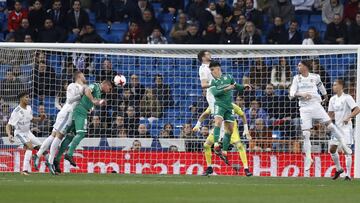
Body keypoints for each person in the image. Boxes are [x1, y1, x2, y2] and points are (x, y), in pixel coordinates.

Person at [289, 60, 352, 171]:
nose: (298, 67)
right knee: (306, 134)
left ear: (305, 67)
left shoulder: (315, 77)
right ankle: (308, 158)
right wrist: (301, 94)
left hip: (316, 105)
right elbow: (292, 93)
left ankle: (344, 143)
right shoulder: (296, 78)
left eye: (300, 65)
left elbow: (321, 87)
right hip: (304, 108)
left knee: (330, 125)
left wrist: (325, 96)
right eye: (298, 65)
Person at [33, 71, 86, 174]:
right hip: (67, 113)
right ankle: (50, 161)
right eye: (83, 75)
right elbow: (70, 100)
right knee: (58, 137)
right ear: (79, 76)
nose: (85, 77)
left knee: (53, 136)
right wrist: (81, 94)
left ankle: (38, 155)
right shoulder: (73, 85)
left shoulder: (81, 87)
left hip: (69, 114)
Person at [53, 80, 113, 172]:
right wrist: (93, 100)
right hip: (80, 111)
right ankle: (69, 154)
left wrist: (97, 103)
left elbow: (93, 101)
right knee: (81, 133)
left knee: (70, 136)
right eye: (110, 88)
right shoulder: (96, 86)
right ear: (106, 84)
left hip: (79, 111)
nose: (110, 91)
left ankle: (56, 160)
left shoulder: (100, 93)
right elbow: (87, 90)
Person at [193, 103, 252, 176]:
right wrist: (197, 124)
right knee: (206, 145)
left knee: (239, 145)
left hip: (231, 127)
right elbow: (204, 114)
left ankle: (246, 169)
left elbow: (242, 115)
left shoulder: (232, 105)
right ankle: (209, 168)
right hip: (219, 127)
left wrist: (246, 129)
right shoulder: (213, 105)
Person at [208, 61, 250, 157]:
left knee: (229, 130)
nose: (211, 72)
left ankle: (224, 151)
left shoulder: (229, 77)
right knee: (218, 122)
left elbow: (237, 87)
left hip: (228, 106)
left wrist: (244, 87)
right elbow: (215, 93)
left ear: (218, 69)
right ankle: (216, 144)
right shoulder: (213, 81)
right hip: (219, 105)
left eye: (212, 70)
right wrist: (228, 88)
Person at [6, 92, 46, 175]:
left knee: (42, 148)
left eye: (29, 97)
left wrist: (40, 119)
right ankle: (24, 170)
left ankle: (50, 165)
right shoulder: (16, 111)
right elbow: (8, 125)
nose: (29, 99)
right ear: (21, 99)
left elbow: (31, 119)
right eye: (26, 97)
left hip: (28, 132)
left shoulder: (29, 108)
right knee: (30, 147)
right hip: (20, 133)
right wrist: (9, 135)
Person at [328, 79, 360, 181]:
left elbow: (357, 109)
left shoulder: (347, 98)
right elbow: (330, 113)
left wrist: (349, 117)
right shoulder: (332, 99)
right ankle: (339, 169)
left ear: (341, 86)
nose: (334, 87)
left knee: (347, 151)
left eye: (335, 85)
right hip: (337, 128)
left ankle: (348, 175)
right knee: (332, 149)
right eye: (333, 85)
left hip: (346, 128)